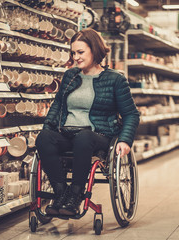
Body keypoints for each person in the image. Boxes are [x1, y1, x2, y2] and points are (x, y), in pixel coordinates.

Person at [35, 28, 140, 216]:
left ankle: (75, 195)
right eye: (73, 53)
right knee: (43, 138)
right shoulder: (70, 76)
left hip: (98, 136)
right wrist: (47, 129)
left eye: (80, 52)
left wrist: (125, 140)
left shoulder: (115, 79)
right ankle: (61, 194)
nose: (76, 57)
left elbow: (131, 114)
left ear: (94, 50)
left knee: (83, 138)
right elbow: (58, 106)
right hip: (68, 133)